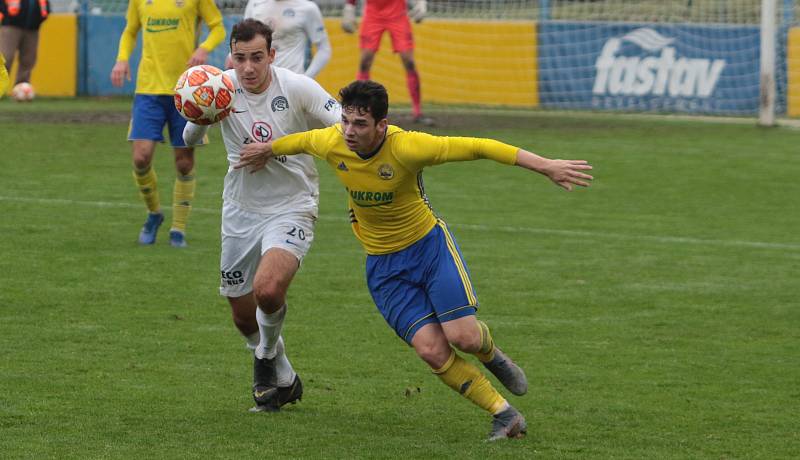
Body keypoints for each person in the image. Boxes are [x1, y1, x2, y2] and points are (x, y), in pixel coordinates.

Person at [234, 80, 594, 440]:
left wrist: (545, 165)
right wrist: (266, 149)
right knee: (431, 350)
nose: (349, 131)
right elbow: (297, 141)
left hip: (429, 250)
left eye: (360, 124)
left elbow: (479, 147)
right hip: (384, 269)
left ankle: (492, 354)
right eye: (345, 121)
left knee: (464, 338)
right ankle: (504, 414)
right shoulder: (331, 141)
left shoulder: (408, 146)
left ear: (382, 124)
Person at [183, 19, 342, 412]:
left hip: (293, 205)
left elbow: (340, 130)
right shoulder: (218, 88)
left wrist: (275, 147)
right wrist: (201, 119)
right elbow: (189, 137)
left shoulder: (298, 86)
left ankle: (264, 359)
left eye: (257, 57)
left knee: (268, 290)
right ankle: (284, 379)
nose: (249, 67)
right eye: (240, 58)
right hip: (240, 209)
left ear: (272, 54)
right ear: (230, 58)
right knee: (241, 315)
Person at [110, 0, 225, 247]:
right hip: (148, 89)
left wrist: (204, 48)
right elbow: (130, 30)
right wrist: (122, 59)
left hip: (186, 91)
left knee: (184, 163)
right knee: (141, 158)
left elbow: (218, 27)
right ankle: (154, 214)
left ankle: (178, 229)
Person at [341, 0, 433, 125]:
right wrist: (349, 7)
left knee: (409, 62)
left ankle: (417, 112)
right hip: (373, 14)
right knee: (364, 62)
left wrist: (420, 3)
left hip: (398, 14)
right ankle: (359, 107)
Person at [224, 0, 331, 79]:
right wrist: (231, 56)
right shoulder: (254, 3)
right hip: (257, 82)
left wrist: (306, 78)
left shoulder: (307, 8)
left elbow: (324, 49)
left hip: (290, 83)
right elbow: (244, 37)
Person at [0, 0, 51, 89]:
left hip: (32, 29)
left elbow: (46, 7)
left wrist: (39, 19)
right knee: (6, 57)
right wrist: (7, 16)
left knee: (28, 60)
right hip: (11, 27)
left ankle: (21, 88)